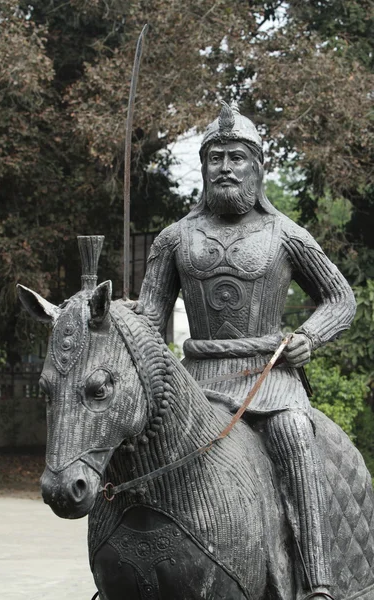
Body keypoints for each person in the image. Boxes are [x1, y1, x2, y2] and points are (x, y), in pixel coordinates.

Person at [136, 102, 356, 600]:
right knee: (137, 442)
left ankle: (316, 578)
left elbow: (341, 297)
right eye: (216, 158)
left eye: (237, 157)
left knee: (296, 434)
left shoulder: (286, 234)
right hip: (196, 379)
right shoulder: (174, 238)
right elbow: (151, 316)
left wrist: (311, 336)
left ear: (257, 168)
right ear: (204, 169)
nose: (226, 167)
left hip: (268, 374)